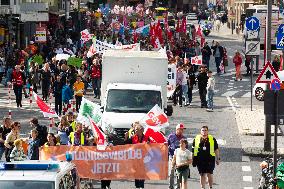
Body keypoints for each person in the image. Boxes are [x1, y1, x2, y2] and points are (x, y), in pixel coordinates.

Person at [125, 123, 149, 189]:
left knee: (141, 172)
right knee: (136, 172)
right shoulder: (133, 137)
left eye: (136, 130)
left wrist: (149, 144)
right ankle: (137, 186)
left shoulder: (147, 138)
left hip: (143, 158)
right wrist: (126, 137)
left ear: (141, 130)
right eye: (135, 130)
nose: (134, 131)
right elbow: (125, 144)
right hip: (135, 158)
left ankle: (141, 186)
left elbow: (153, 146)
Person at [167, 123, 187, 189]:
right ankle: (170, 187)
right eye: (180, 129)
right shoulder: (171, 136)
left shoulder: (184, 138)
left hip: (180, 158)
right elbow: (167, 144)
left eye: (182, 129)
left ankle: (177, 187)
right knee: (171, 172)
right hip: (171, 157)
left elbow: (186, 148)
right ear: (177, 129)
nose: (182, 131)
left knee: (178, 173)